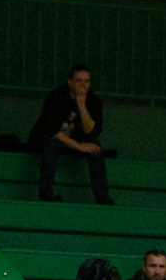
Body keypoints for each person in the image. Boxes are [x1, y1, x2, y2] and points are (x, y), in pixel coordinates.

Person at [28, 64, 112, 205]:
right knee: (51, 145)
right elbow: (52, 130)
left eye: (86, 81)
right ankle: (46, 195)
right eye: (79, 81)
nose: (83, 85)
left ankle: (102, 199)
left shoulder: (94, 101)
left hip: (76, 140)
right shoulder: (56, 97)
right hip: (51, 140)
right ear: (70, 82)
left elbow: (92, 132)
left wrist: (82, 105)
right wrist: (79, 146)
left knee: (96, 148)